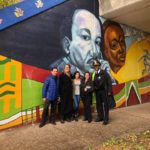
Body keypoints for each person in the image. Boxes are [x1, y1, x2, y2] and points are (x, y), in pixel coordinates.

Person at [50, 9, 110, 75]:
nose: (94, 52)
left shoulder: (90, 72)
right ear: (67, 45)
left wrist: (106, 74)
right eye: (85, 37)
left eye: (97, 42)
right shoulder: (58, 71)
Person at [93, 59, 112, 125]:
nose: (96, 67)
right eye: (95, 66)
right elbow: (93, 83)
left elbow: (109, 81)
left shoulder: (104, 72)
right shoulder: (94, 74)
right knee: (98, 105)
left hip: (104, 91)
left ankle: (106, 119)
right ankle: (100, 117)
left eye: (97, 65)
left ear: (99, 66)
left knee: (105, 105)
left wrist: (109, 91)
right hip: (97, 92)